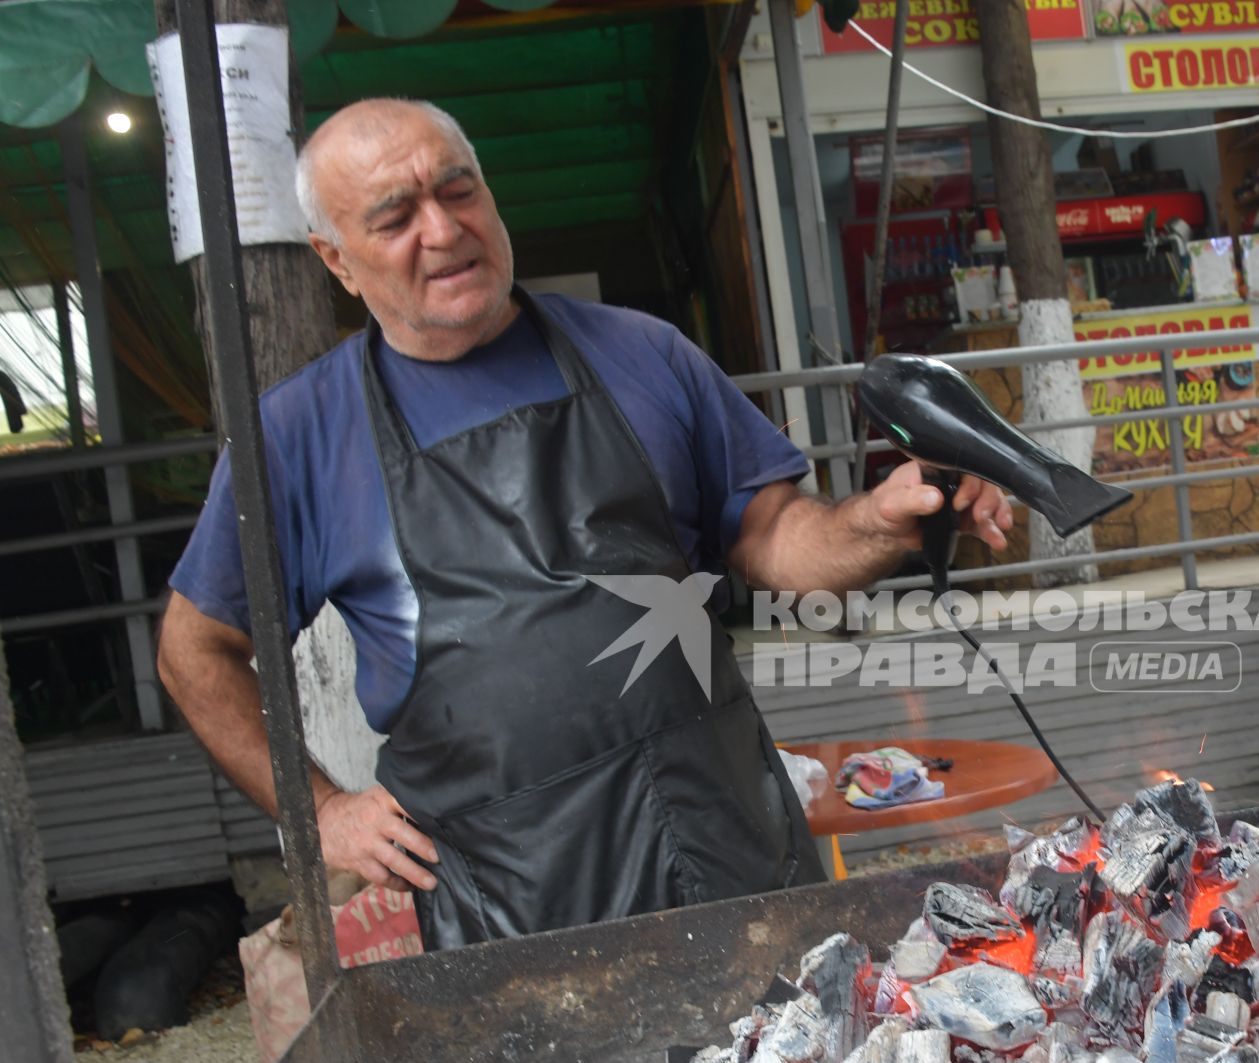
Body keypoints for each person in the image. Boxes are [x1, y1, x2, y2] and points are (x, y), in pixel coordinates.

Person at [158, 98, 1013, 950]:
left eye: (458, 192)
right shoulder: (298, 437)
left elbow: (772, 535)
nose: (444, 229)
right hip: (513, 899)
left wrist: (883, 519)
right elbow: (195, 651)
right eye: (395, 217)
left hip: (727, 848)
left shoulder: (641, 352)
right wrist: (322, 812)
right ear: (336, 260)